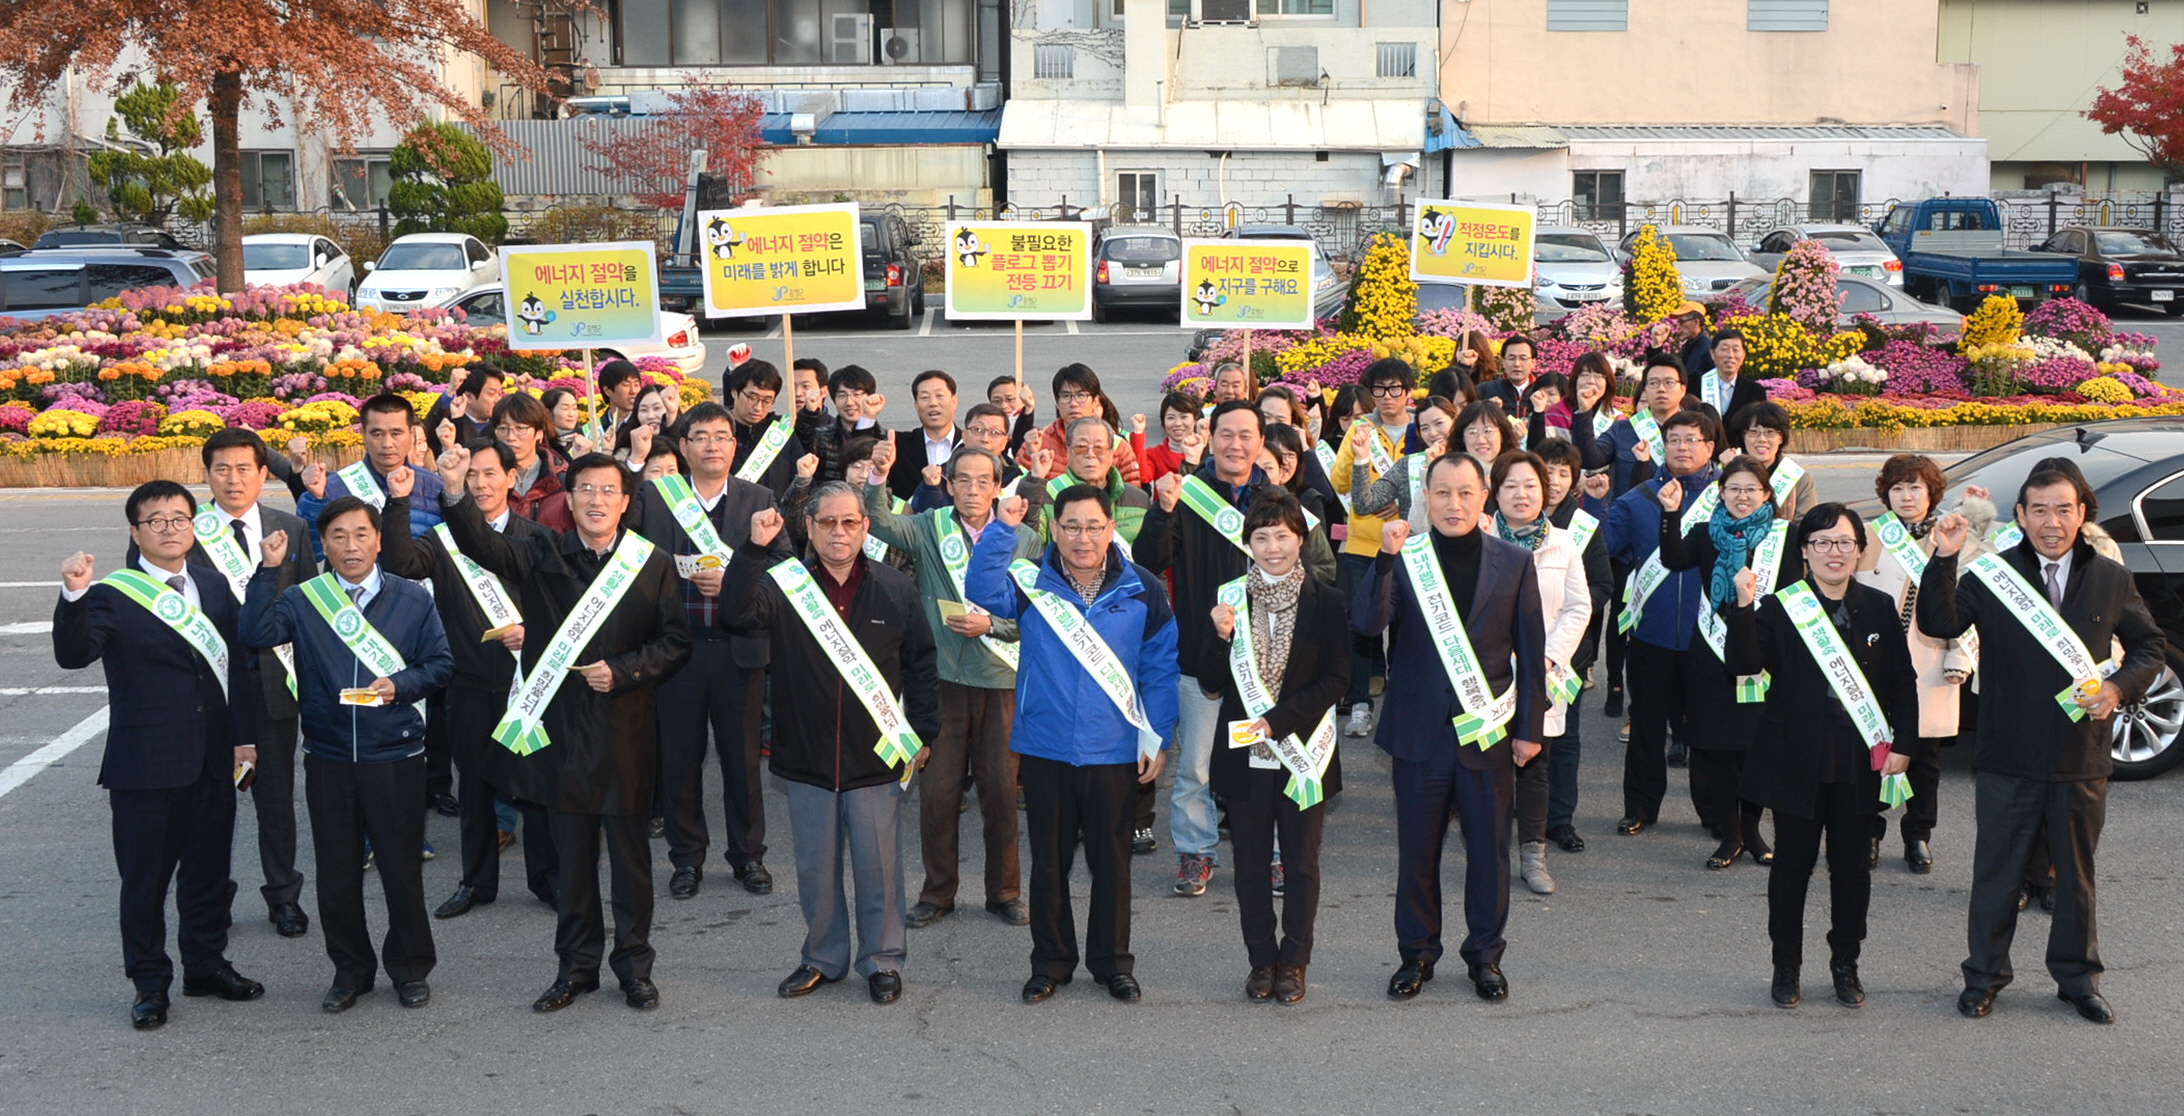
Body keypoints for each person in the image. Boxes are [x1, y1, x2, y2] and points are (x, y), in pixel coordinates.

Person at [434, 449, 692, 1014]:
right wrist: (454, 489)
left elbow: (675, 642)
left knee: (630, 866)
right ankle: (575, 969)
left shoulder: (651, 563)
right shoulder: (542, 551)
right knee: (570, 864)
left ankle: (634, 968)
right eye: (585, 490)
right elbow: (484, 547)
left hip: (625, 732)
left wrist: (624, 671)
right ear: (567, 498)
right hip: (563, 734)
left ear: (626, 503)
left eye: (608, 491)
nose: (596, 500)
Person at [1919, 468, 2166, 1025]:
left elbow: (2150, 645)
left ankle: (2078, 980)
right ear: (2022, 516)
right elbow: (1940, 622)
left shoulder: (2109, 577)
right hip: (2009, 753)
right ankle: (1983, 977)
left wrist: (2118, 687)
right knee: (1997, 875)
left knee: (2076, 877)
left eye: (2063, 510)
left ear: (2083, 513)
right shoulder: (1994, 573)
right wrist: (1944, 557)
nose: (2051, 523)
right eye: (2038, 511)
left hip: (2081, 757)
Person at [54, 481, 265, 1030]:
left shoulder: (215, 586)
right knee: (145, 883)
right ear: (135, 532)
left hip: (215, 759)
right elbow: (74, 655)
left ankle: (206, 965)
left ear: (194, 527)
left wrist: (244, 737)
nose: (170, 528)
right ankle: (149, 984)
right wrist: (74, 594)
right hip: (145, 765)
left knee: (207, 875)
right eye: (156, 521)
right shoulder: (112, 593)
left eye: (179, 518)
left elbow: (236, 670)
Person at [243, 494, 453, 1014]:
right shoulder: (303, 599)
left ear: (378, 540)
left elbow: (441, 664)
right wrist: (268, 573)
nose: (351, 545)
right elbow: (255, 633)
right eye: (338, 536)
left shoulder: (412, 598)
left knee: (402, 869)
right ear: (324, 544)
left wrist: (400, 686)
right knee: (337, 872)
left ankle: (410, 969)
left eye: (361, 534)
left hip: (395, 754)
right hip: (330, 755)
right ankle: (350, 972)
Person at [732, 484, 940, 1005]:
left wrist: (923, 732)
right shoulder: (786, 584)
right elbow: (736, 613)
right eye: (828, 523)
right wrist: (753, 550)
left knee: (879, 868)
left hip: (875, 756)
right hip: (805, 755)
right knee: (815, 871)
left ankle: (882, 960)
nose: (839, 532)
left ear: (865, 527)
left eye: (850, 522)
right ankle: (822, 957)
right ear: (810, 527)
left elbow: (920, 664)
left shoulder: (895, 587)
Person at [970, 484, 1177, 1004]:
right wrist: (1001, 529)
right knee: (1050, 861)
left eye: (1093, 527)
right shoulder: (1031, 582)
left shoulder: (1143, 588)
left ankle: (1112, 963)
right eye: (1071, 527)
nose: (1082, 538)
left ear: (1111, 529)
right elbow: (980, 589)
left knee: (1113, 864)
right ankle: (1051, 962)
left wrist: (1157, 735)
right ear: (1054, 530)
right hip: (1046, 746)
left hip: (1114, 750)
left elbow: (1158, 667)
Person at [1356, 452, 1546, 1003]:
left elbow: (1530, 656)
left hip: (1487, 733)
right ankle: (1416, 955)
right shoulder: (1407, 556)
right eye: (1442, 493)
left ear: (1483, 497)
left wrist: (1529, 728)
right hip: (1418, 734)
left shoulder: (1513, 562)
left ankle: (1485, 957)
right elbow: (1367, 622)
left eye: (1465, 492)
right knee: (1417, 853)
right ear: (1425, 498)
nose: (1453, 504)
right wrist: (1384, 560)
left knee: (1489, 854)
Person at [1722, 502, 1922, 1009]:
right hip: (1797, 760)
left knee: (1852, 869)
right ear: (1805, 553)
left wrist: (1905, 745)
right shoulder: (1781, 607)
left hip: (1860, 762)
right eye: (1822, 543)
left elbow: (1902, 682)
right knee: (1791, 866)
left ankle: (1845, 963)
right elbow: (1743, 663)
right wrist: (1743, 606)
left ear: (1859, 550)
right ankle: (1785, 965)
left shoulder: (1878, 607)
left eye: (1844, 543)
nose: (1834, 552)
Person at [1139, 401, 1336, 898]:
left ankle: (1274, 856)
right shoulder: (1189, 494)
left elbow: (1323, 571)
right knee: (1196, 767)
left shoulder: (1281, 502)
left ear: (1260, 441)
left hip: (1273, 658)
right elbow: (1148, 561)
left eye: (1246, 435)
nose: (1235, 445)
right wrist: (1162, 513)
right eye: (1226, 434)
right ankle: (1195, 853)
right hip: (1202, 653)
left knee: (1270, 759)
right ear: (1211, 437)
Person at [621, 402, 794, 902]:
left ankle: (748, 857)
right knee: (680, 762)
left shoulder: (759, 497)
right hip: (677, 652)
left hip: (739, 653)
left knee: (742, 763)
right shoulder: (657, 497)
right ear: (683, 446)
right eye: (700, 437)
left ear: (734, 446)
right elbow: (626, 549)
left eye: (721, 436)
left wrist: (739, 578)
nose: (712, 445)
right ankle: (686, 860)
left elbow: (786, 568)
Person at [861, 446, 1039, 929]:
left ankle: (1005, 892)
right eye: (963, 480)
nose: (974, 489)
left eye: (984, 481)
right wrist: (879, 474)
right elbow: (876, 521)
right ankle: (937, 892)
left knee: (1001, 794)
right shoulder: (927, 525)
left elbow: (1036, 609)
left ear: (998, 486)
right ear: (950, 482)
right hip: (940, 680)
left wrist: (994, 628)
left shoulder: (1023, 537)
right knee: (938, 795)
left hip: (1000, 679)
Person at [379, 443, 559, 918]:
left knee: (535, 787)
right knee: (475, 789)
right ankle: (477, 882)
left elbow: (561, 610)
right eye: (470, 475)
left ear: (511, 479)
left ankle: (547, 878)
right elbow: (399, 565)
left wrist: (533, 630)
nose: (479, 483)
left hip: (528, 686)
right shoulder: (442, 540)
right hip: (469, 684)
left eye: (488, 474)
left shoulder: (536, 537)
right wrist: (398, 501)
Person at [1195, 488, 1349, 1004]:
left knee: (1302, 864)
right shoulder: (1230, 598)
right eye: (1261, 537)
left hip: (1304, 754)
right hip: (1246, 760)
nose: (1272, 547)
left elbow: (1337, 680)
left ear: (1299, 538)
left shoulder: (1327, 600)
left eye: (1282, 536)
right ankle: (1261, 960)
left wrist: (1277, 721)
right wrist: (1217, 637)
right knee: (1251, 864)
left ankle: (1295, 962)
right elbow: (1211, 681)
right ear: (1248, 543)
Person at [162, 429, 318, 940]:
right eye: (222, 469)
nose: (233, 479)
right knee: (211, 800)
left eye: (244, 469)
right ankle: (213, 898)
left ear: (263, 473)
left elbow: (309, 604)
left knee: (275, 799)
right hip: (207, 691)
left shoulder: (290, 527)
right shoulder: (184, 529)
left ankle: (284, 898)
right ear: (206, 473)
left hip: (273, 684)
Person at [1854, 454, 1984, 874]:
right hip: (1876, 661)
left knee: (1925, 758)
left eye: (1915, 488)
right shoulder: (1871, 534)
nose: (1906, 496)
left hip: (1930, 661)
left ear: (1932, 493)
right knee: (1873, 750)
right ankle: (1868, 832)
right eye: (1897, 488)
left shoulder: (1951, 535)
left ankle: (1918, 835)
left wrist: (1959, 655)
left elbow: (1968, 607)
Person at [1658, 455, 1790, 869]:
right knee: (1714, 749)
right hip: (1710, 656)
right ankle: (1729, 835)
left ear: (1766, 494)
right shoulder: (1704, 533)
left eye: (1752, 489)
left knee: (1753, 749)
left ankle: (1752, 831)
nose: (1742, 496)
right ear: (1722, 493)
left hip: (1760, 657)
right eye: (1734, 488)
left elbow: (1790, 592)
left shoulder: (1781, 538)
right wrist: (1670, 513)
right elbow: (1673, 559)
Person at [1606, 407, 1722, 833]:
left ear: (1710, 447)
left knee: (1707, 732)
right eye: (1674, 439)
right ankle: (1639, 808)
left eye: (1692, 439)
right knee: (1647, 729)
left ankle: (1715, 812)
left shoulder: (1727, 500)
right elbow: (1604, 551)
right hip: (1651, 635)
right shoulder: (1635, 500)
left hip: (1708, 638)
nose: (1682, 447)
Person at [1490, 451, 1592, 895]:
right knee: (1487, 769)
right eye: (1510, 485)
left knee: (1535, 765)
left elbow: (1578, 606)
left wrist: (1547, 657)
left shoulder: (1564, 542)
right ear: (1495, 492)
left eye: (1530, 485)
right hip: (1485, 676)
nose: (1522, 494)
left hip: (1543, 672)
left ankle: (1533, 854)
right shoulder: (1478, 537)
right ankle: (1489, 853)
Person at [1535, 438, 1610, 853]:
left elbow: (1601, 586)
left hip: (1568, 654)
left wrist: (1566, 611)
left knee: (1564, 737)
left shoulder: (1584, 527)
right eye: (1546, 471)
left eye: (1564, 472)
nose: (1554, 480)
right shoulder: (1505, 520)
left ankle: (1559, 818)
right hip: (1512, 653)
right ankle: (1518, 808)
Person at [297, 393, 446, 547]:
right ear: (362, 434)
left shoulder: (435, 487)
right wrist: (315, 501)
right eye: (377, 434)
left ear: (411, 433)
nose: (387, 443)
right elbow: (314, 553)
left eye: (396, 433)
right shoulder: (333, 487)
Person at [1021, 416, 1153, 544]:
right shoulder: (1047, 494)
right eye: (1081, 448)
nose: (1090, 455)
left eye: (1099, 448)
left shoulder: (1137, 499)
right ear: (1068, 452)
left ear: (1111, 453)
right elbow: (1029, 545)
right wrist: (1035, 480)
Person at [1346, 395, 1458, 537]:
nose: (1433, 433)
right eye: (1424, 428)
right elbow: (1364, 504)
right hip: (1418, 554)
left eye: (1439, 423)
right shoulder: (1409, 465)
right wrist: (1361, 458)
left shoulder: (1470, 462)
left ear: (1454, 420)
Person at [1019, 364, 1142, 483]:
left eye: (1081, 395)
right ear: (1057, 402)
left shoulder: (1118, 446)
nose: (1073, 403)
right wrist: (1030, 454)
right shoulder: (1040, 442)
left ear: (1095, 401)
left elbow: (1132, 497)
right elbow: (1018, 489)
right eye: (1066, 395)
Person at [725, 358, 809, 501]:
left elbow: (798, 478)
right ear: (734, 392)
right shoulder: (720, 431)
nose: (758, 407)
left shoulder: (781, 431)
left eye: (767, 400)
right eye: (752, 398)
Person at [492, 392, 571, 529]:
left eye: (520, 428)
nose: (511, 437)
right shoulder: (486, 482)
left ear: (539, 434)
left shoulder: (563, 481)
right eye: (503, 429)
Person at [1725, 402, 1815, 522]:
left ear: (1781, 438)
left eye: (1770, 432)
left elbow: (1807, 525)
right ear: (1743, 436)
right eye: (1753, 432)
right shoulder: (1727, 470)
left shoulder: (1798, 478)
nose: (1762, 439)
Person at [885, 369, 961, 501]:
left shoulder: (969, 444)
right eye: (925, 397)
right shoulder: (899, 445)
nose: (933, 403)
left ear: (954, 401)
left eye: (939, 396)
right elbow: (858, 454)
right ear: (916, 405)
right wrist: (868, 418)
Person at [423, 365, 506, 456]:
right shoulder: (450, 424)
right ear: (469, 397)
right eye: (492, 394)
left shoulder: (502, 423)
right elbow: (429, 431)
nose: (498, 399)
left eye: (499, 393)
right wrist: (451, 390)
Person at [1696, 328, 1765, 424]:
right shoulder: (1696, 384)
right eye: (1724, 349)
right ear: (1712, 354)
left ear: (1743, 355)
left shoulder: (1755, 391)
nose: (1730, 355)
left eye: (1736, 350)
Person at [1476, 333, 1539, 418]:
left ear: (1533, 362)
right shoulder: (1485, 390)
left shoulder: (1541, 391)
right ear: (1503, 362)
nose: (1517, 364)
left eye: (1523, 358)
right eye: (1511, 358)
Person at [1455, 400, 1519, 468]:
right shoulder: (1450, 473)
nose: (1481, 441)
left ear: (1502, 435)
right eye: (1472, 432)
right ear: (1462, 438)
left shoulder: (1517, 470)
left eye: (1488, 431)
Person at [988, 374, 1038, 459]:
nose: (1004, 406)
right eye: (997, 401)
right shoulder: (986, 436)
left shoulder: (1034, 436)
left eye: (1010, 399)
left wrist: (1028, 409)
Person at [539, 387, 591, 459]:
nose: (572, 414)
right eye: (565, 408)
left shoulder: (586, 439)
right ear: (548, 413)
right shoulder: (540, 441)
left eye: (575, 408)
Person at [596, 360, 645, 434]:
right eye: (626, 384)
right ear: (608, 391)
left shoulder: (643, 425)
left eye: (636, 384)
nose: (633, 391)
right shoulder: (594, 430)